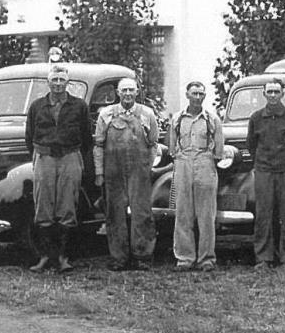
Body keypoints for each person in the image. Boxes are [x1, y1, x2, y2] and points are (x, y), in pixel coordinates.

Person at [23, 61, 93, 273]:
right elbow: (29, 135)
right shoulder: (36, 106)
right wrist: (40, 155)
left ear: (68, 82)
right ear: (48, 82)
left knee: (67, 206)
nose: (58, 84)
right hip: (44, 157)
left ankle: (62, 257)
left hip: (70, 156)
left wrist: (74, 154)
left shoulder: (79, 106)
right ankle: (45, 256)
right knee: (43, 205)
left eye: (62, 80)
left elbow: (86, 137)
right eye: (54, 80)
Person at [94, 76, 160, 271]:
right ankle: (119, 258)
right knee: (115, 214)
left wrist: (148, 167)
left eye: (132, 90)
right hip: (113, 172)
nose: (128, 94)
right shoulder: (106, 115)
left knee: (142, 213)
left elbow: (154, 143)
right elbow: (98, 145)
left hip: (139, 172)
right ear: (118, 93)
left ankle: (142, 256)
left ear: (137, 92)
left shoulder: (147, 114)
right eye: (124, 90)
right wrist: (99, 172)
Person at [245, 78, 285, 268]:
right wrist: (263, 162)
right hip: (264, 171)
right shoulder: (256, 118)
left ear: (282, 93)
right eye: (269, 92)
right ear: (264, 94)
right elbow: (251, 145)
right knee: (263, 214)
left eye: (276, 92)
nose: (272, 95)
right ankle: (264, 258)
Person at [166, 79, 223, 271]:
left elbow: (219, 150)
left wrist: (207, 162)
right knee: (182, 213)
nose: (197, 98)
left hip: (205, 163)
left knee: (206, 214)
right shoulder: (177, 118)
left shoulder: (212, 119)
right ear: (187, 95)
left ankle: (206, 258)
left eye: (201, 94)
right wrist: (181, 159)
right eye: (194, 94)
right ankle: (184, 257)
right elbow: (172, 148)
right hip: (182, 164)